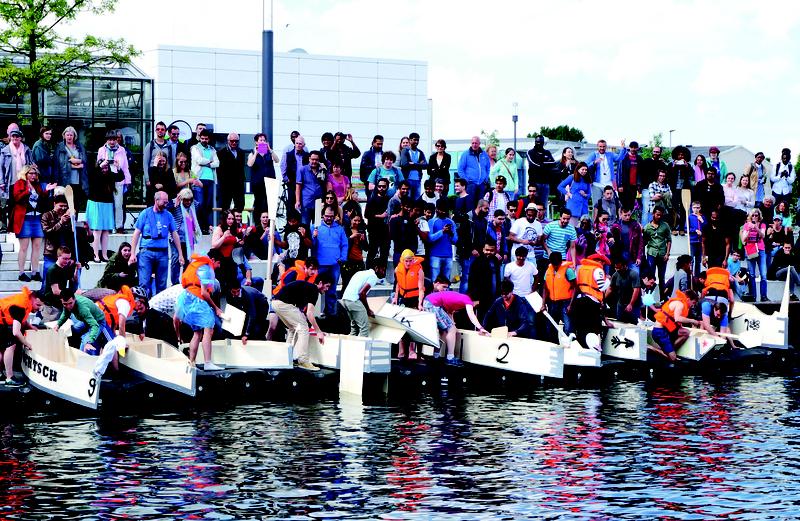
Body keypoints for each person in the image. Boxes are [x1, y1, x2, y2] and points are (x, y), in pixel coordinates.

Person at [272, 273, 334, 371]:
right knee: (303, 328)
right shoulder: (314, 290)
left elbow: (303, 313)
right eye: (327, 286)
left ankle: (286, 358)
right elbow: (310, 314)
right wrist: (318, 332)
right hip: (283, 303)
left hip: (276, 303)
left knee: (294, 328)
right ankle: (303, 360)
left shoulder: (307, 288)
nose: (327, 289)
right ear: (320, 283)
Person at [174, 250, 224, 370]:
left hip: (186, 298)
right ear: (213, 260)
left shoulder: (196, 264)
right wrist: (216, 308)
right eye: (218, 263)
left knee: (197, 333)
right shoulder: (206, 268)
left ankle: (191, 363)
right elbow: (204, 293)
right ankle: (208, 363)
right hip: (196, 298)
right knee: (209, 329)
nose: (218, 267)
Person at [423, 278, 489, 366]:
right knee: (451, 329)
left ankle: (436, 355)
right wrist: (480, 328)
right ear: (476, 300)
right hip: (433, 304)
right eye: (477, 304)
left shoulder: (459, 299)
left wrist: (452, 324)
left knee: (444, 330)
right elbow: (471, 316)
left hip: (429, 302)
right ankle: (450, 357)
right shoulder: (467, 300)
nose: (475, 306)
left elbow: (449, 312)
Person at [130, 191, 185, 296]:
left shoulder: (168, 215)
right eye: (164, 202)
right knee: (144, 283)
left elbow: (174, 234)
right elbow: (136, 233)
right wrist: (133, 253)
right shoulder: (145, 213)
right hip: (146, 251)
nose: (166, 204)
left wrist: (180, 254)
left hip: (162, 253)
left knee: (162, 284)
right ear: (156, 200)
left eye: (167, 202)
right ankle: (143, 307)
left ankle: (159, 309)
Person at [11, 165, 52, 281]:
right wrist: (27, 191)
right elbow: (17, 198)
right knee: (24, 247)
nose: (33, 175)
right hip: (25, 219)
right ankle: (21, 272)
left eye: (35, 173)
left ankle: (35, 272)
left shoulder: (37, 185)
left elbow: (41, 199)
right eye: (31, 173)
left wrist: (46, 191)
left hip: (37, 218)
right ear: (25, 174)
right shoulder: (20, 183)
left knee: (37, 246)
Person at [0, 287, 43, 386]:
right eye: (37, 305)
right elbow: (16, 332)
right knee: (10, 346)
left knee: (2, 348)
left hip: (1, 320)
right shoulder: (21, 306)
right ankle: (9, 378)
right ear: (32, 299)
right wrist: (27, 344)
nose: (38, 309)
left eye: (40, 306)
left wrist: (29, 326)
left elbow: (20, 319)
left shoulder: (25, 301)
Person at [571, 253, 612, 350]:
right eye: (603, 263)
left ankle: (582, 349)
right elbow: (602, 286)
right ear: (599, 261)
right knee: (593, 328)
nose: (603, 265)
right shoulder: (597, 270)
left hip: (579, 300)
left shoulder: (580, 268)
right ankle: (593, 350)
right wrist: (608, 280)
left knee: (581, 327)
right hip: (591, 302)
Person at [87, 157, 124, 263]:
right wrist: (100, 165)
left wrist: (118, 167)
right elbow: (92, 173)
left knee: (106, 231)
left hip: (107, 204)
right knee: (97, 230)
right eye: (103, 167)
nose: (105, 168)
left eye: (106, 167)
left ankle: (104, 254)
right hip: (96, 203)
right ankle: (95, 254)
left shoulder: (110, 175)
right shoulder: (95, 174)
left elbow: (121, 177)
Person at [651, 289, 701, 361]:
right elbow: (677, 319)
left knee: (686, 332)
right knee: (673, 358)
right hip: (660, 331)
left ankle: (669, 351)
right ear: (688, 299)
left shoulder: (683, 304)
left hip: (668, 330)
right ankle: (652, 348)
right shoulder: (679, 304)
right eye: (693, 303)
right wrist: (692, 321)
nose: (693, 305)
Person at [97, 129, 131, 231]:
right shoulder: (101, 150)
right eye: (109, 140)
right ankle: (107, 226)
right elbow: (98, 165)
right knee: (107, 204)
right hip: (105, 180)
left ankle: (119, 226)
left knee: (118, 204)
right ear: (106, 140)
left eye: (113, 140)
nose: (111, 142)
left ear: (117, 140)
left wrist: (127, 181)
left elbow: (125, 167)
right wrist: (103, 164)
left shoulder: (122, 150)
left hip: (118, 179)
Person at [57, 290, 113, 354]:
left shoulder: (83, 309)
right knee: (74, 329)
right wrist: (58, 325)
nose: (68, 306)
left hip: (97, 321)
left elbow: (94, 325)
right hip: (85, 320)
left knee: (86, 345)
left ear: (74, 299)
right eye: (65, 304)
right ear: (61, 301)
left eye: (70, 303)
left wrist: (89, 342)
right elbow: (65, 314)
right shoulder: (68, 303)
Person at [340, 262, 387, 337]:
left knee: (354, 328)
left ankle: (349, 347)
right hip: (354, 301)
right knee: (364, 329)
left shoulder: (361, 273)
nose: (384, 273)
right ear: (376, 268)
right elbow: (362, 293)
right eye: (383, 270)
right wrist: (368, 310)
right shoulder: (373, 276)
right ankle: (360, 348)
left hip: (345, 300)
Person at [170, 188, 202, 285]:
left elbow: (202, 205)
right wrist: (176, 201)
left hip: (189, 238)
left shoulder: (194, 205)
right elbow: (166, 208)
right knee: (176, 258)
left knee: (188, 259)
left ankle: (186, 281)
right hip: (176, 237)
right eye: (186, 200)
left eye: (190, 200)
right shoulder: (175, 204)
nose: (188, 202)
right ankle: (174, 282)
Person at [541, 251, 576, 339]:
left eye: (557, 264)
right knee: (551, 326)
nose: (555, 266)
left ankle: (569, 344)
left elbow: (575, 288)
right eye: (553, 264)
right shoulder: (548, 270)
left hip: (565, 302)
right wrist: (543, 304)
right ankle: (552, 344)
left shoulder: (568, 270)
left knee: (568, 327)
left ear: (561, 262)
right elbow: (545, 288)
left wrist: (570, 305)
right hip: (553, 302)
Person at [190, 129, 220, 231]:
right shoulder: (195, 148)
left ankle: (205, 226)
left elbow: (217, 163)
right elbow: (199, 160)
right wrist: (210, 162)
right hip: (199, 178)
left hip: (210, 179)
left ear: (209, 139)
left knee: (208, 204)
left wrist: (208, 163)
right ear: (199, 138)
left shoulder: (212, 149)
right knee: (200, 203)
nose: (204, 140)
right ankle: (198, 226)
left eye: (206, 139)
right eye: (202, 138)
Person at [226, 278, 270, 343]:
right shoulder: (229, 295)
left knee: (256, 325)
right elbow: (233, 311)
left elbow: (252, 315)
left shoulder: (247, 295)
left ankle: (260, 338)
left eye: (238, 291)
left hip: (261, 304)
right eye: (234, 292)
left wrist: (246, 334)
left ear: (240, 288)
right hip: (246, 302)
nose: (236, 294)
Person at [246, 133, 279, 220]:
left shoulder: (269, 152)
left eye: (264, 140)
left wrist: (270, 150)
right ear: (256, 142)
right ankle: (257, 223)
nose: (263, 142)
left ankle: (270, 224)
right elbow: (249, 164)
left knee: (269, 204)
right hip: (258, 183)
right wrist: (256, 153)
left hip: (270, 182)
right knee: (258, 203)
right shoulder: (252, 153)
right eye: (260, 140)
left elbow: (277, 160)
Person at [40, 194, 73, 279]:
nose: (63, 208)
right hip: (51, 253)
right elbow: (47, 233)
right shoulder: (46, 215)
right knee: (47, 281)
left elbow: (72, 234)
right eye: (61, 206)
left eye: (65, 206)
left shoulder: (69, 217)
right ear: (54, 204)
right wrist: (60, 223)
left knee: (63, 281)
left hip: (64, 255)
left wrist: (72, 219)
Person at [468, 241, 502, 321]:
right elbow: (472, 281)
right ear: (483, 249)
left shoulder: (495, 261)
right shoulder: (477, 262)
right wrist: (474, 298)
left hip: (494, 297)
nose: (489, 252)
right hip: (481, 298)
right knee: (481, 320)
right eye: (487, 250)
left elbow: (498, 278)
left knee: (493, 320)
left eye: (491, 250)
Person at [0, 127, 33, 207]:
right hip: (11, 182)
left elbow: (31, 164)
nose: (15, 138)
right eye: (13, 136)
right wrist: (1, 182)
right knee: (11, 205)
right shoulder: (5, 150)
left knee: (23, 204)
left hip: (23, 182)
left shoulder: (26, 149)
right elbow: (1, 168)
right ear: (10, 137)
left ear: (20, 138)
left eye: (17, 136)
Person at [740, 208, 769, 301]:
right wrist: (748, 230)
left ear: (759, 216)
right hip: (751, 250)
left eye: (756, 215)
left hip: (760, 249)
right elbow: (743, 239)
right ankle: (753, 296)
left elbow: (763, 235)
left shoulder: (762, 224)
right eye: (753, 215)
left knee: (763, 275)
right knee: (752, 274)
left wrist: (756, 227)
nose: (754, 217)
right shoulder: (746, 225)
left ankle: (763, 296)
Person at [643, 206, 672, 297]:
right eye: (657, 215)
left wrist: (667, 254)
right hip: (651, 253)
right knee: (651, 276)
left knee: (661, 277)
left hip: (662, 254)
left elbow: (669, 240)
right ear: (653, 214)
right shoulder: (647, 227)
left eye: (660, 215)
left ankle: (662, 298)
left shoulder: (665, 225)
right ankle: (649, 298)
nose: (659, 217)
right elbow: (644, 241)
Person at [428, 199, 458, 281]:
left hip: (448, 255)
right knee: (434, 280)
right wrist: (442, 231)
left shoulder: (451, 222)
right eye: (441, 209)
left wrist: (450, 233)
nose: (443, 212)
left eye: (445, 210)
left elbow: (455, 240)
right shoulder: (432, 222)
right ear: (437, 209)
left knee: (446, 281)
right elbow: (430, 238)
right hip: (435, 255)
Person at [458, 136, 491, 209]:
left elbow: (488, 168)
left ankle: (479, 219)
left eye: (476, 143)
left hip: (482, 184)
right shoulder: (465, 154)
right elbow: (460, 169)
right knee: (470, 204)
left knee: (481, 205)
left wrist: (485, 179)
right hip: (470, 184)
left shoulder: (484, 154)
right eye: (473, 143)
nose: (474, 145)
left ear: (479, 143)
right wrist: (466, 180)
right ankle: (470, 219)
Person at [218, 132, 247, 213]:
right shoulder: (221, 152)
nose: (234, 143)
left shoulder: (241, 152)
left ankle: (237, 224)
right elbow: (219, 170)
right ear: (228, 141)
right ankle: (225, 224)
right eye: (232, 141)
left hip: (238, 184)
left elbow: (241, 168)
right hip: (226, 184)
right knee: (225, 206)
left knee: (240, 205)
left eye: (236, 141)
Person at [295, 150, 325, 225]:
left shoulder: (321, 169)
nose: (314, 161)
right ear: (309, 159)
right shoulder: (302, 169)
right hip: (306, 202)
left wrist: (324, 169)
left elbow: (325, 183)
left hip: (318, 203)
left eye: (316, 160)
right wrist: (297, 201)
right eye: (312, 159)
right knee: (305, 226)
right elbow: (298, 186)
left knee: (317, 226)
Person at [558, 162, 592, 227]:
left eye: (586, 170)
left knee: (583, 227)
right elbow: (560, 187)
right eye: (583, 169)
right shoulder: (572, 177)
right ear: (578, 169)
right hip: (573, 205)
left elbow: (589, 194)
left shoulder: (587, 179)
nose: (584, 171)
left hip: (583, 206)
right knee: (572, 227)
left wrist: (585, 195)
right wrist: (568, 194)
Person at [365, 178, 390, 264]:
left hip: (385, 230)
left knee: (384, 253)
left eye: (383, 186)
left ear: (387, 187)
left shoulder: (388, 199)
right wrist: (380, 216)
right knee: (372, 251)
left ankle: (382, 274)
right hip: (374, 230)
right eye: (379, 186)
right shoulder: (372, 199)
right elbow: (367, 214)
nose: (381, 188)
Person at [340, 214, 368, 292]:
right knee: (346, 284)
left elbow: (366, 248)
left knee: (359, 285)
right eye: (355, 220)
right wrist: (351, 237)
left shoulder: (362, 231)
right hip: (348, 261)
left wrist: (363, 240)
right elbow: (342, 244)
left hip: (359, 261)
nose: (357, 222)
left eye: (359, 221)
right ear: (351, 220)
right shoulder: (345, 230)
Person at [142, 121, 173, 192]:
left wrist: (172, 178)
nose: (160, 131)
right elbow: (145, 163)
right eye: (158, 129)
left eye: (162, 129)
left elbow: (173, 163)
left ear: (165, 131)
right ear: (155, 131)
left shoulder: (170, 146)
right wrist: (147, 179)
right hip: (153, 176)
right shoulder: (150, 145)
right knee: (152, 200)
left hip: (165, 176)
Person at [527, 136, 557, 205]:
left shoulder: (547, 152)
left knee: (544, 205)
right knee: (533, 204)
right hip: (534, 183)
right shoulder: (530, 152)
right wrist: (545, 165)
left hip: (546, 183)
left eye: (541, 142)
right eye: (537, 142)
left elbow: (553, 163)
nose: (539, 143)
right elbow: (533, 164)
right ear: (535, 142)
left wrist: (541, 164)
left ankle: (543, 216)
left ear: (543, 143)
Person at [282, 135, 309, 211]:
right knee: (291, 204)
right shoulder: (288, 154)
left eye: (300, 144)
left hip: (304, 183)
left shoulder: (307, 155)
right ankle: (291, 222)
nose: (298, 145)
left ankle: (302, 222)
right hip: (292, 182)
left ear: (303, 145)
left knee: (303, 203)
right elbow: (283, 166)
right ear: (294, 144)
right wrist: (286, 179)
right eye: (297, 143)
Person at [399, 132, 427, 199]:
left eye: (418, 140)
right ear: (410, 140)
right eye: (414, 140)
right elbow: (405, 164)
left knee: (416, 200)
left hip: (417, 180)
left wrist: (414, 164)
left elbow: (425, 165)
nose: (416, 142)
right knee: (407, 200)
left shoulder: (420, 152)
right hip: (407, 179)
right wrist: (419, 164)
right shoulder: (405, 151)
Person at [617, 141, 643, 209]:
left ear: (637, 148)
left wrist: (639, 185)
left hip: (634, 186)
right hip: (624, 186)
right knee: (624, 206)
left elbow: (641, 173)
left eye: (635, 147)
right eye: (632, 147)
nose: (633, 149)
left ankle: (629, 219)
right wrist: (620, 185)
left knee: (631, 205)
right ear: (629, 147)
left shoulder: (639, 158)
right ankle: (622, 219)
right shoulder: (624, 157)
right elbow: (619, 172)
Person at [359, 134, 384, 198]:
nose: (380, 146)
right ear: (373, 143)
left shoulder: (383, 154)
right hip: (370, 180)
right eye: (378, 144)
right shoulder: (367, 154)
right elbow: (363, 168)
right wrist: (375, 166)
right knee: (370, 200)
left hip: (382, 181)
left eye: (381, 144)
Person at [688, 201, 705, 276]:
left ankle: (697, 276)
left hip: (700, 241)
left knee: (698, 261)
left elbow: (706, 227)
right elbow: (686, 228)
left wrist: (702, 221)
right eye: (694, 208)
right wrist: (695, 230)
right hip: (692, 241)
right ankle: (691, 276)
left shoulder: (702, 216)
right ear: (692, 208)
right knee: (691, 260)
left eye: (698, 208)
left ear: (700, 208)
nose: (696, 209)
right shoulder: (689, 217)